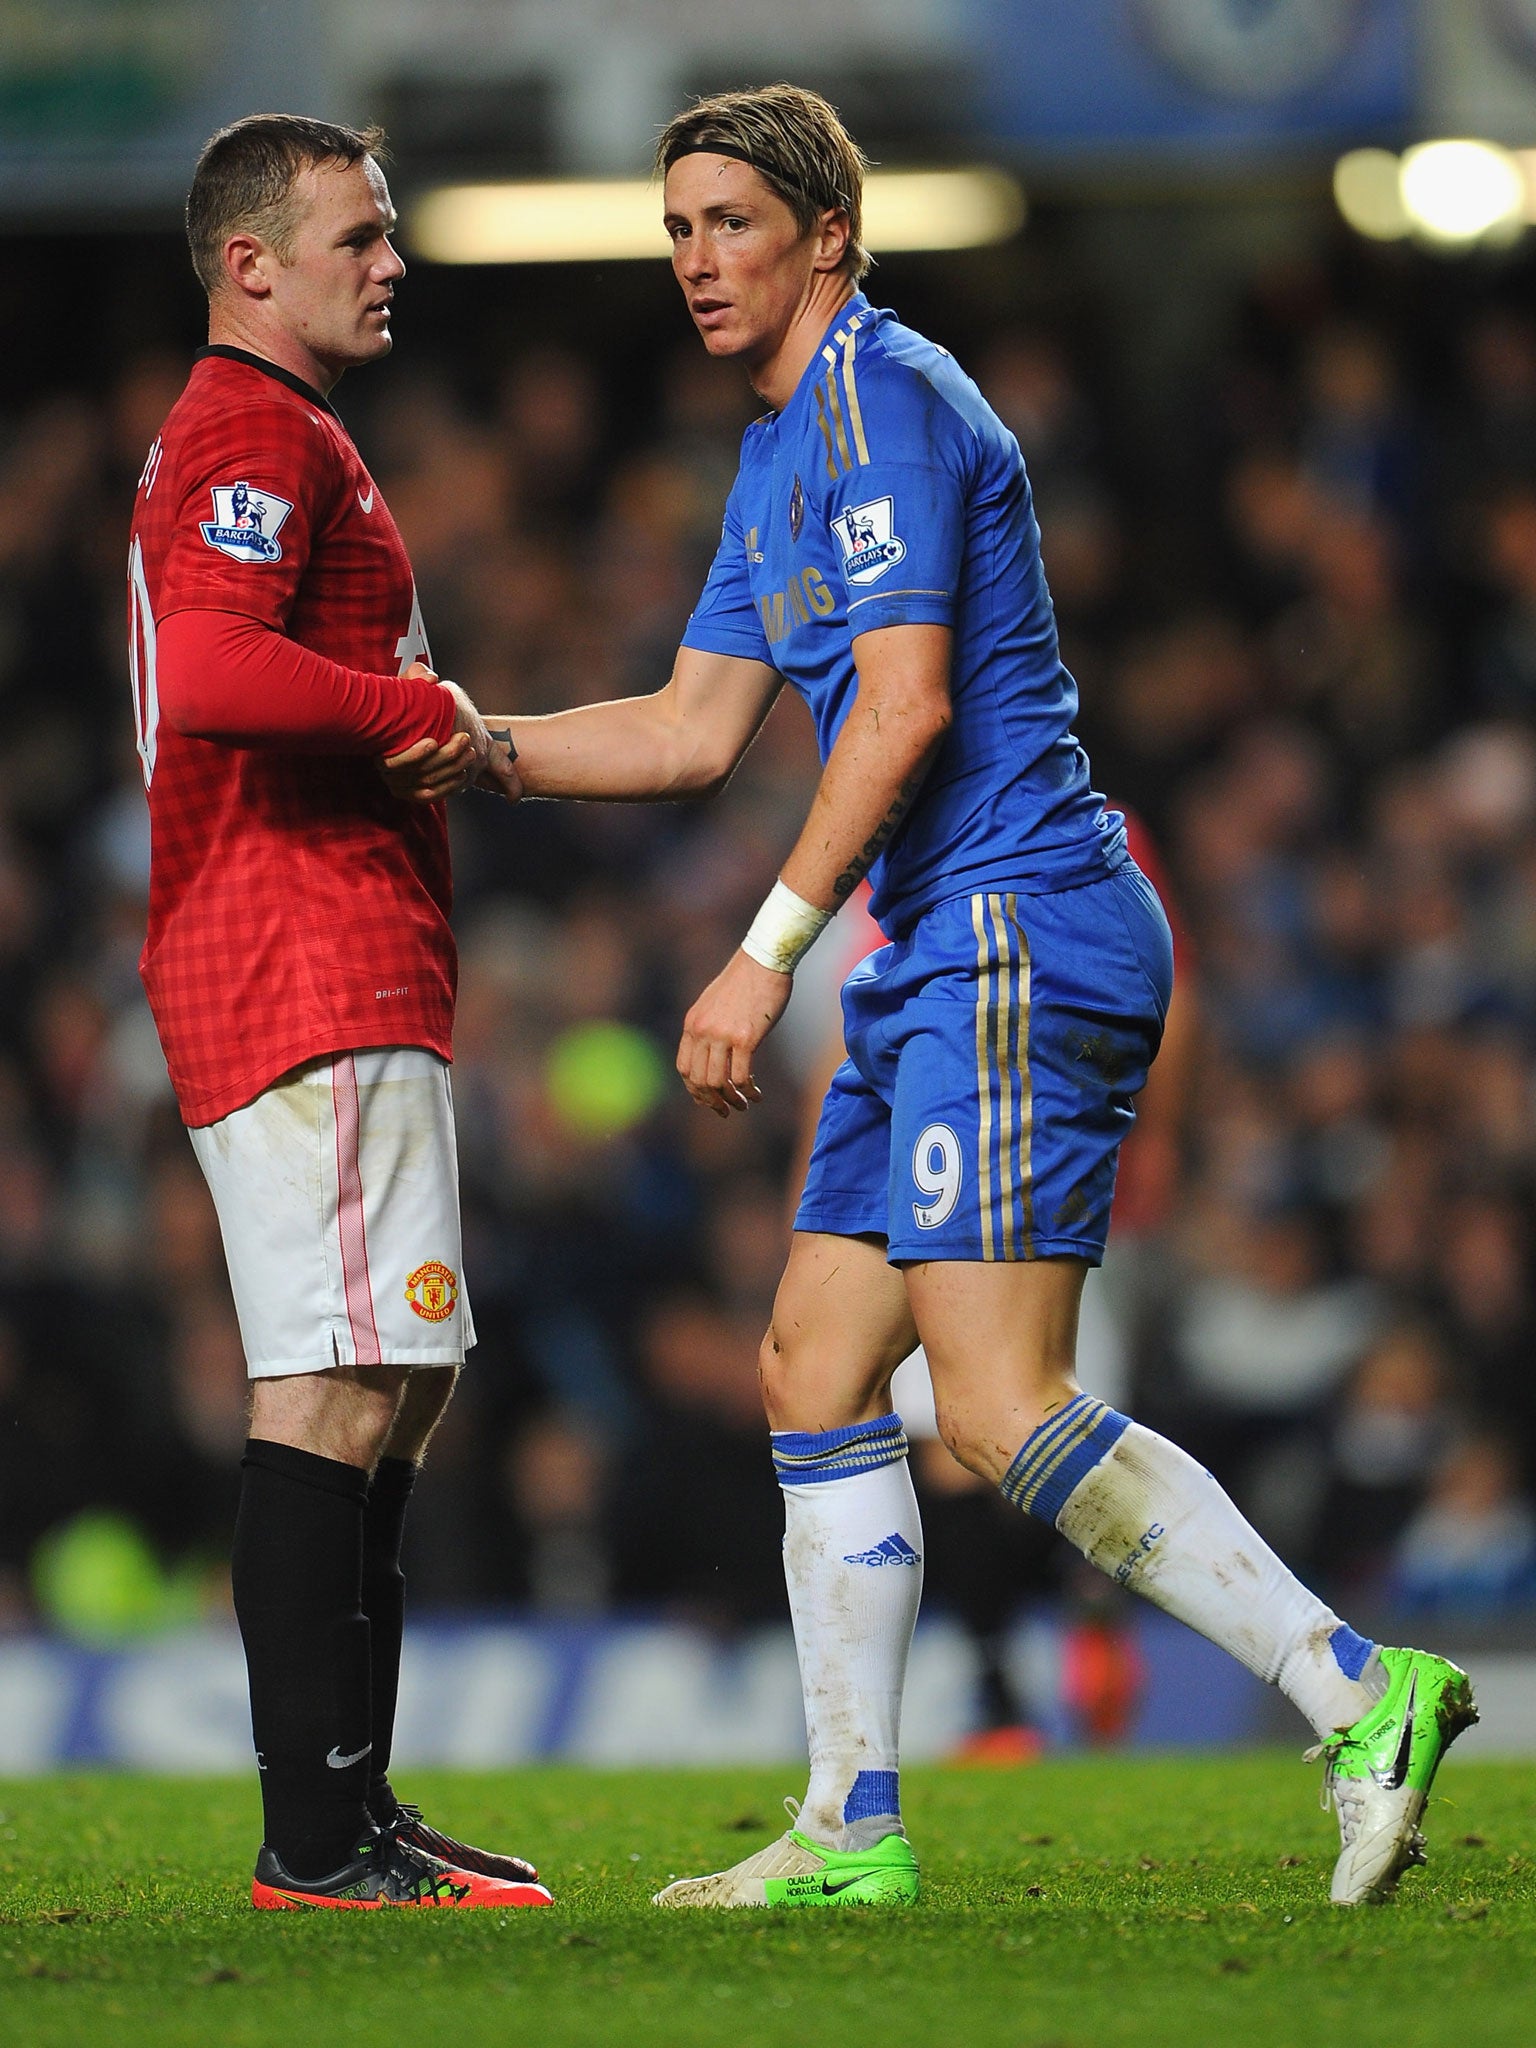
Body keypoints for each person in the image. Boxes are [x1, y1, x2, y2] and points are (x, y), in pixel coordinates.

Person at [406, 84, 1476, 1909]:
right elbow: (684, 728)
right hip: (941, 948)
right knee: (812, 1364)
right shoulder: (771, 463)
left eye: (728, 222)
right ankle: (850, 1825)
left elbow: (900, 709)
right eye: (675, 229)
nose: (692, 261)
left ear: (827, 233)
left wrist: (762, 952)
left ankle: (1360, 1688)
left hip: (1015, 922)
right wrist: (476, 745)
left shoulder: (887, 397)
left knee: (995, 1408)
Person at [127, 113, 548, 1911]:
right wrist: (410, 710)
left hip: (330, 953)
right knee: (330, 1387)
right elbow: (216, 667)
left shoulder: (284, 435)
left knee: (395, 1378)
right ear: (253, 264)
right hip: (299, 956)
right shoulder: (246, 426)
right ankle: (315, 1841)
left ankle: (353, 1809)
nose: (393, 264)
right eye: (360, 237)